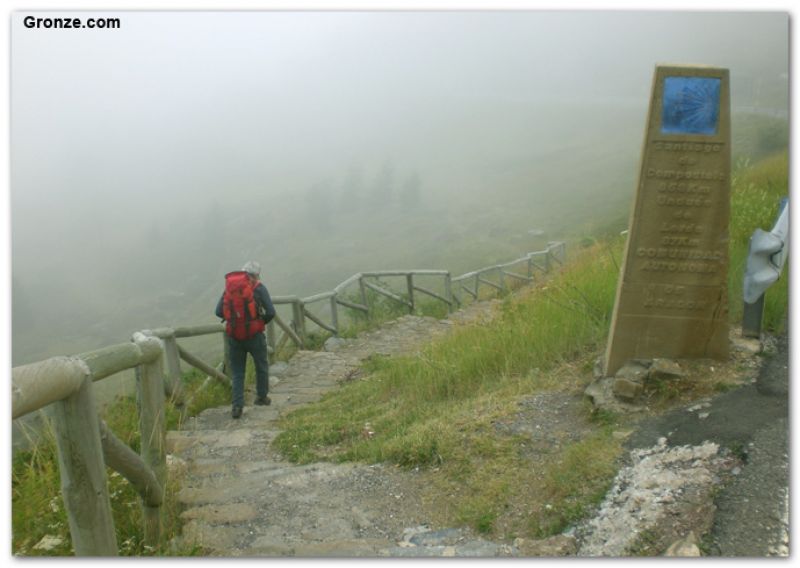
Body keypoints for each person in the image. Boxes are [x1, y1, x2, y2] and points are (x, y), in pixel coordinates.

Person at [215, 261, 276, 419]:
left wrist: (235, 321)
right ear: (256, 275)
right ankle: (261, 397)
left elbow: (218, 311)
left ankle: (237, 406)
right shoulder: (259, 288)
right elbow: (270, 311)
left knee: (237, 372)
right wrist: (258, 322)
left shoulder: (230, 288)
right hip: (255, 336)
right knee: (261, 365)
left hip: (234, 337)